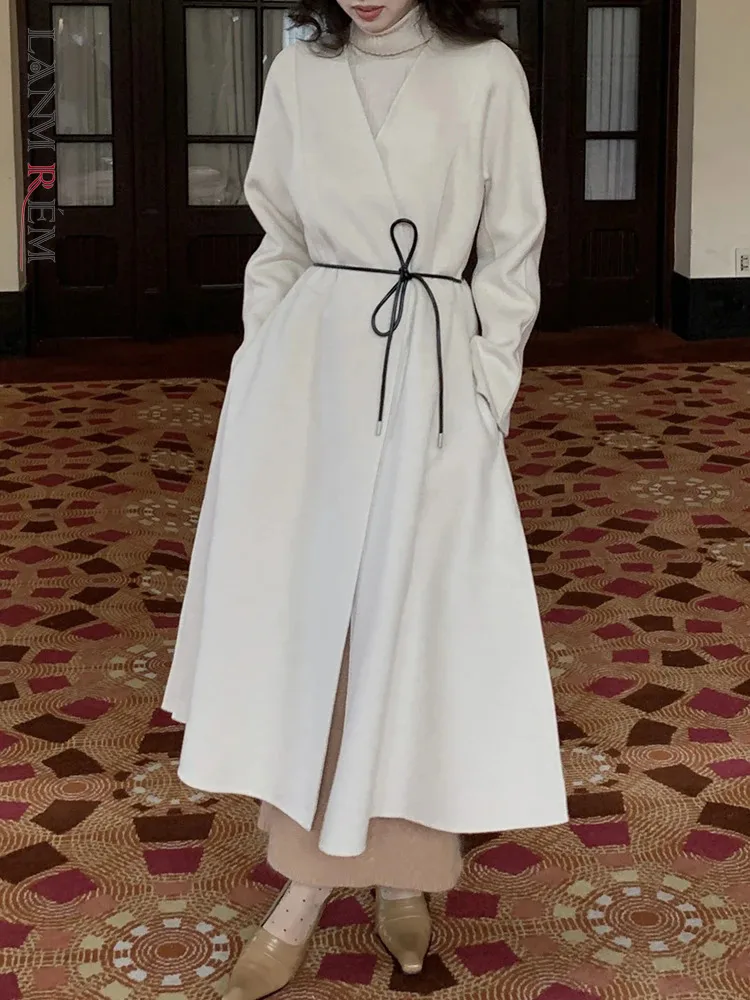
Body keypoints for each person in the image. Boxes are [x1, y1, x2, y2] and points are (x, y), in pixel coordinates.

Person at [161, 1, 569, 997]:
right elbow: (278, 234)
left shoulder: (485, 70)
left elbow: (512, 245)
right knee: (318, 631)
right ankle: (324, 885)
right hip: (309, 382)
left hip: (434, 376)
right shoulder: (298, 71)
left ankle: (389, 877)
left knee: (416, 626)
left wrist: (486, 389)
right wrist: (263, 361)